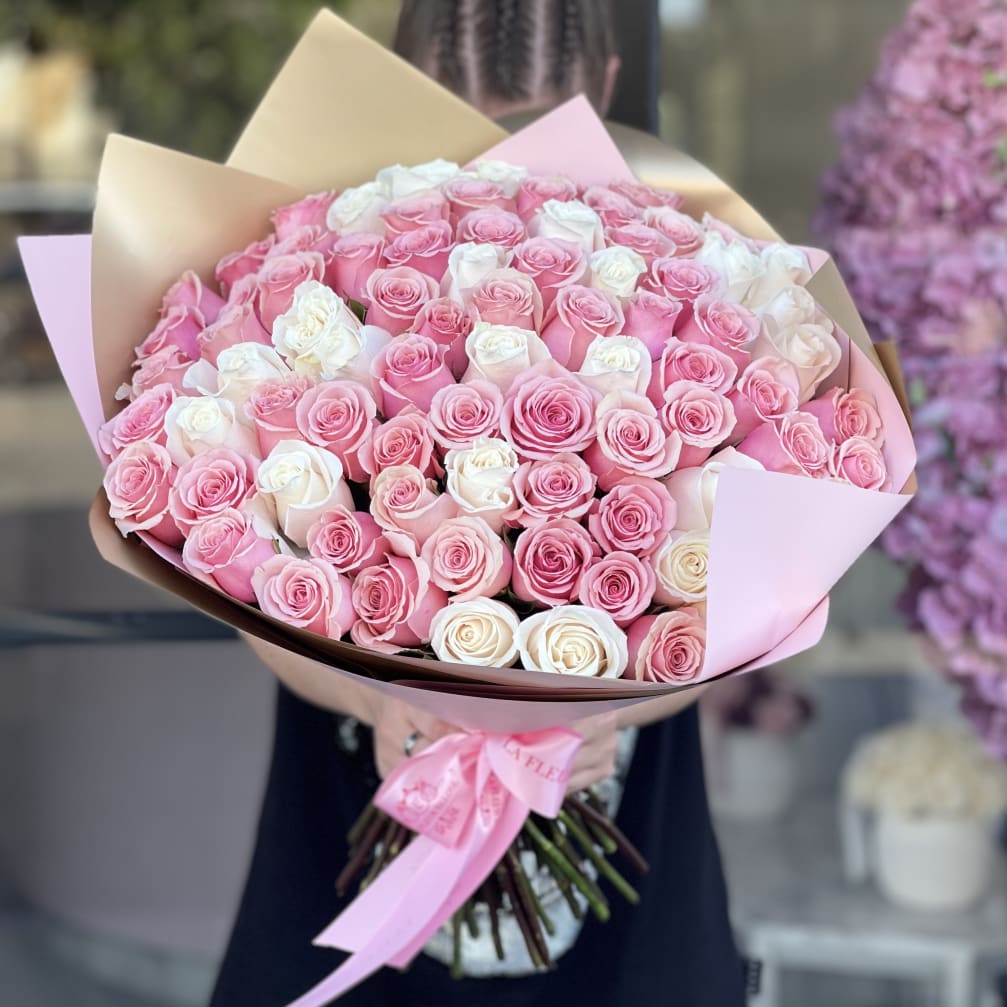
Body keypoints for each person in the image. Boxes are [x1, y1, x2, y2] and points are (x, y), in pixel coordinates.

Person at [210, 3, 747, 1004]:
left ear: (608, 86)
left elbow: (758, 598)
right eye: (455, 126)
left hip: (617, 805)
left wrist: (622, 705)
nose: (497, 173)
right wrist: (376, 699)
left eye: (534, 124)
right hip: (358, 781)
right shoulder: (324, 261)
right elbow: (234, 559)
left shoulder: (687, 272)